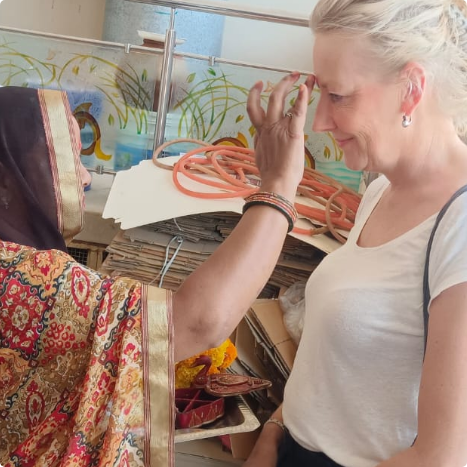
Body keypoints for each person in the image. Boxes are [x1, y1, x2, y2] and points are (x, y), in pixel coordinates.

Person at [0, 74, 313, 466]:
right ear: (5, 180)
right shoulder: (22, 278)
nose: (85, 176)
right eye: (66, 159)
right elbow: (195, 322)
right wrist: (280, 183)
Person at [245, 1, 467, 466]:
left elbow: (440, 457)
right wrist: (276, 430)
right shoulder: (382, 189)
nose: (320, 121)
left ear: (411, 89)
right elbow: (339, 364)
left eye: (339, 96)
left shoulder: (459, 224)